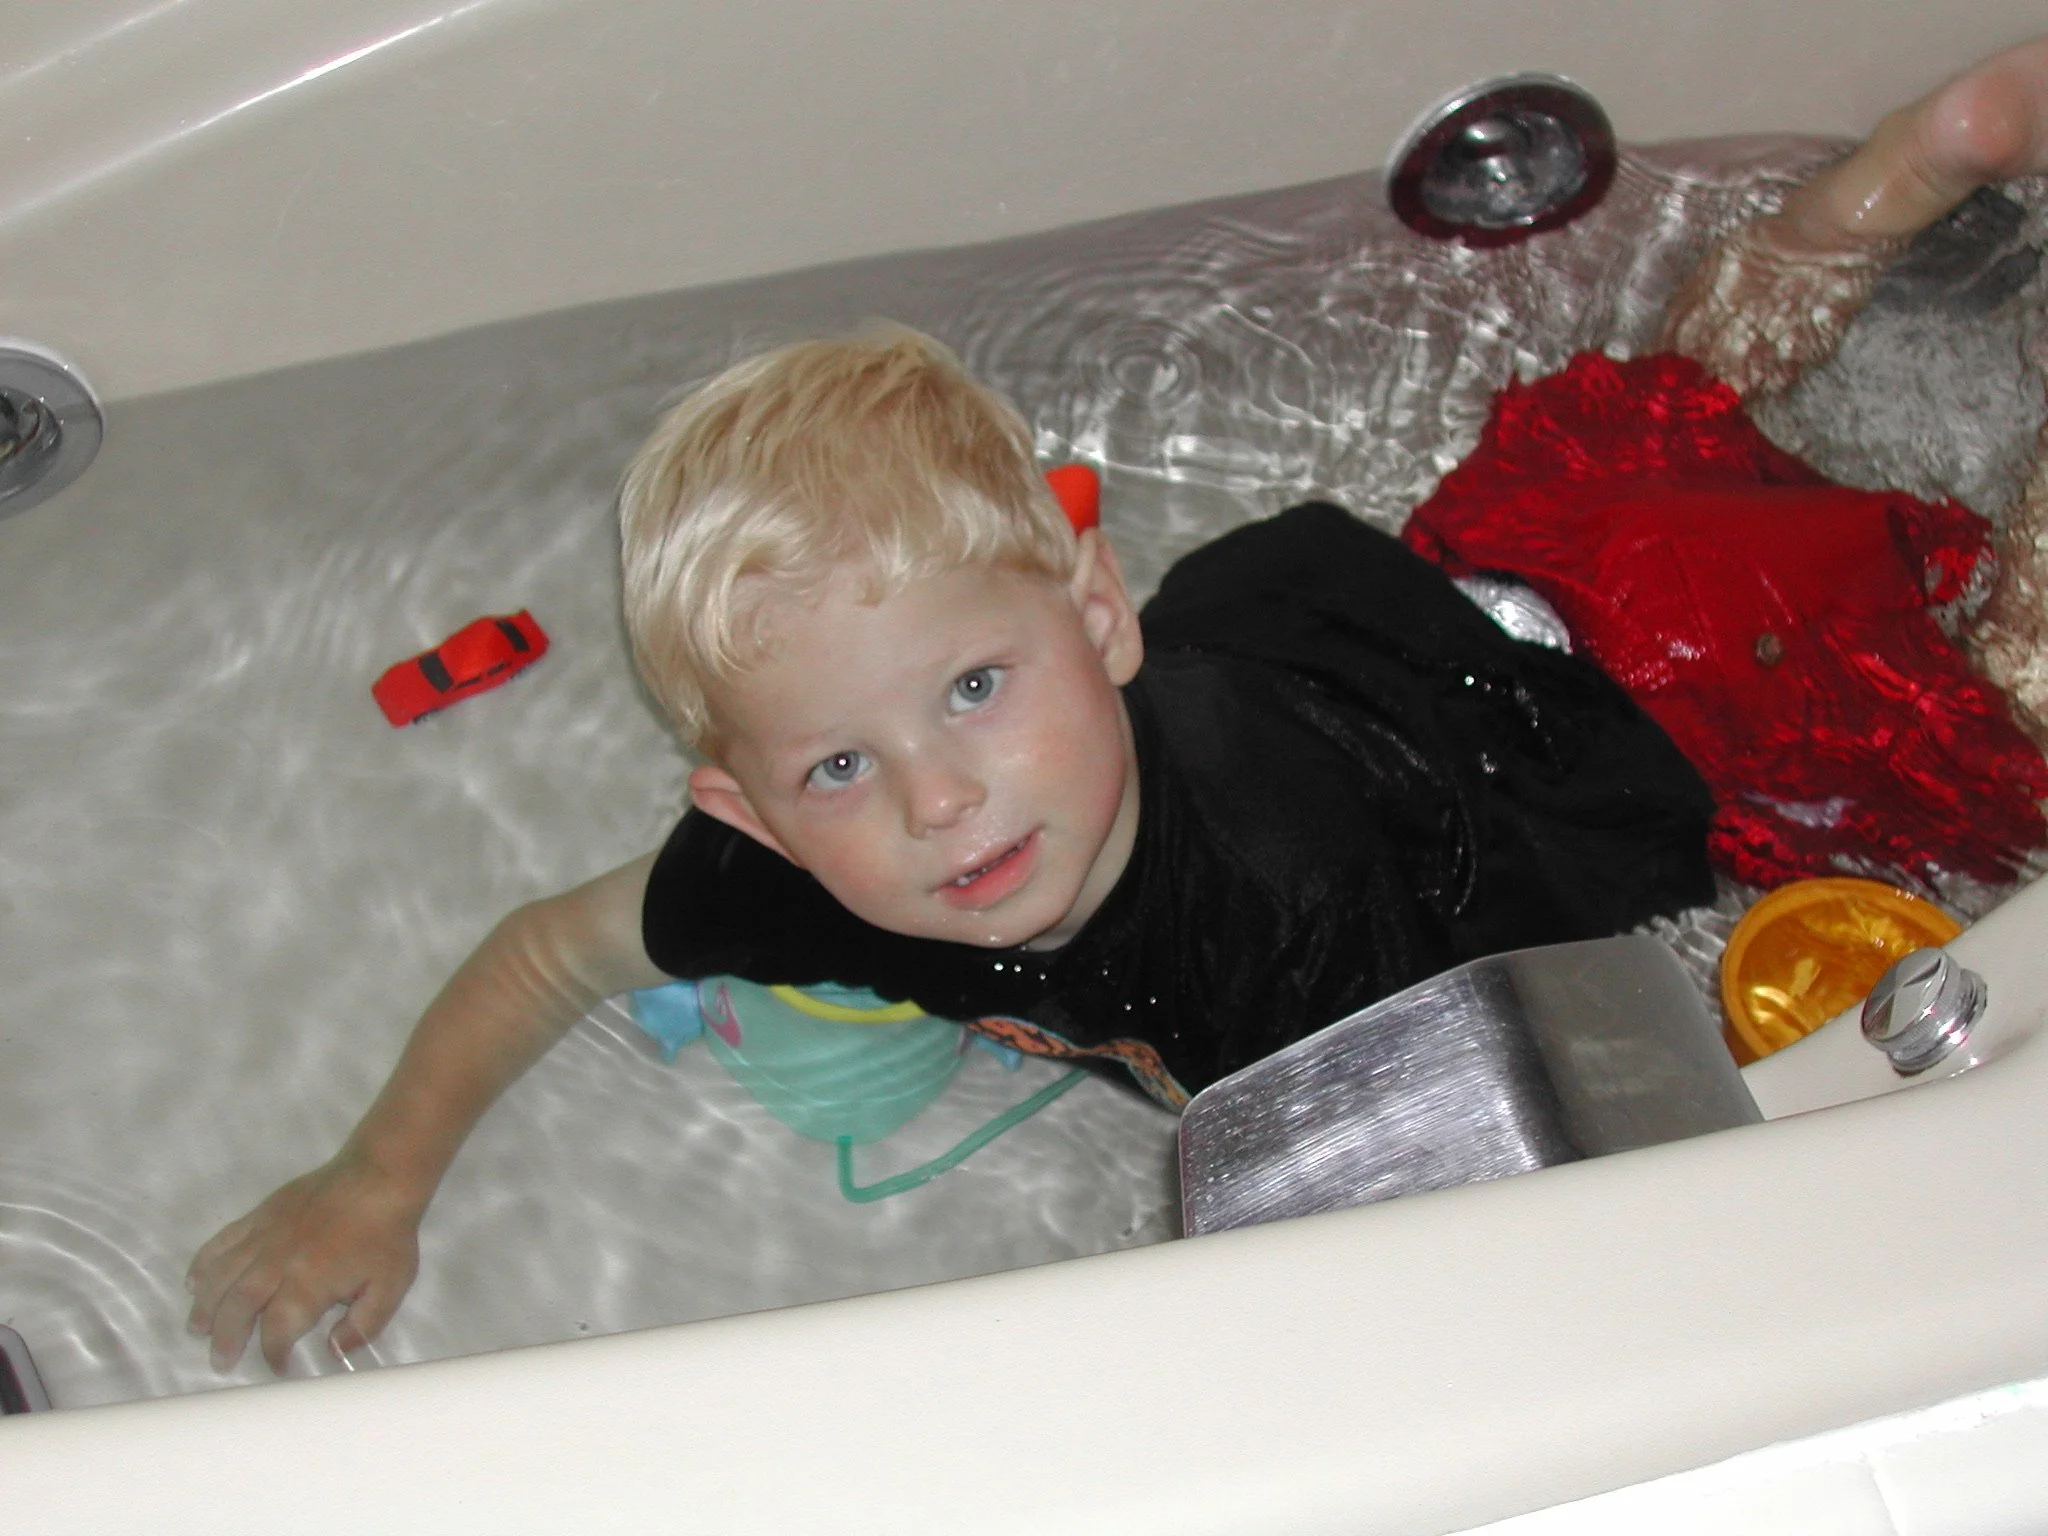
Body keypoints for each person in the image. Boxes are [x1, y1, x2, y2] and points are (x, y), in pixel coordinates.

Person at [185, 326, 1715, 1375]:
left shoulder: (1296, 908)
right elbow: (545, 955)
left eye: (975, 687)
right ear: (750, 816)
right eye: (839, 764)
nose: (934, 802)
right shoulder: (812, 867)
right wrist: (376, 1177)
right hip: (1231, 668)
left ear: (1098, 618)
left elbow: (1429, 1240)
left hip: (1474, 763)